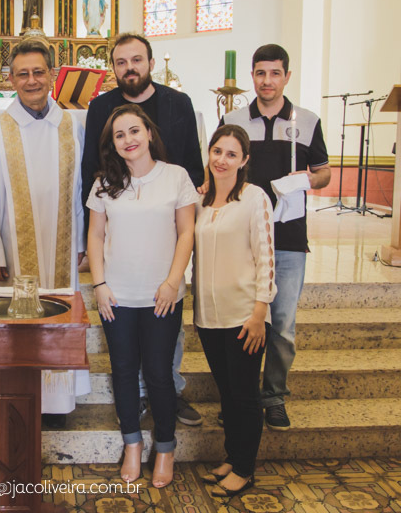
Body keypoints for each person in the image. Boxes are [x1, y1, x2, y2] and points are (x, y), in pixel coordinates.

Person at [0, 39, 90, 428]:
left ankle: (58, 403)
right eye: (23, 74)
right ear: (11, 80)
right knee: (21, 319)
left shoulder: (71, 124)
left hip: (63, 246)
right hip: (14, 248)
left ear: (52, 75)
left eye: (38, 72)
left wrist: (80, 242)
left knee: (61, 311)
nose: (31, 80)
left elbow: (80, 189)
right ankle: (23, 398)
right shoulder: (0, 129)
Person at [81, 32, 205, 427]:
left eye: (136, 60)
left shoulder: (177, 103)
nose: (129, 68)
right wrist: (92, 248)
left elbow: (193, 167)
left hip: (167, 230)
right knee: (125, 353)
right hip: (122, 242)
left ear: (150, 63)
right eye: (121, 62)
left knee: (165, 338)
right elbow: (91, 169)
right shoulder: (101, 107)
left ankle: (168, 392)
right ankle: (134, 400)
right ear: (113, 68)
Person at [221, 44, 330, 430]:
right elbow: (221, 167)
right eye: (260, 73)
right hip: (241, 236)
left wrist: (306, 180)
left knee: (282, 323)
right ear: (252, 76)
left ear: (287, 76)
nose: (267, 81)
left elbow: (324, 172)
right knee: (240, 319)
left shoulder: (308, 121)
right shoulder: (233, 119)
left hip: (288, 235)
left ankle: (273, 396)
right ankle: (241, 396)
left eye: (275, 73)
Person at [87, 104, 197, 488]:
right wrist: (99, 285)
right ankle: (132, 444)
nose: (128, 139)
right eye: (119, 135)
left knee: (159, 373)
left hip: (161, 295)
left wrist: (173, 281)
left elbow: (186, 232)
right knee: (122, 370)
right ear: (113, 144)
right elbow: (95, 236)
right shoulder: (104, 183)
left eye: (134, 131)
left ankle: (165, 448)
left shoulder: (176, 176)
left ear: (149, 133)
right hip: (116, 296)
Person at [195, 124, 275, 498]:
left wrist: (260, 312)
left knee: (244, 395)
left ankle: (244, 468)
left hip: (245, 315)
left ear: (244, 160)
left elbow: (266, 257)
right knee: (227, 394)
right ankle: (232, 456)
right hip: (208, 316)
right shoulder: (200, 200)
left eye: (231, 154)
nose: (222, 160)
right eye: (217, 151)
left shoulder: (254, 198)